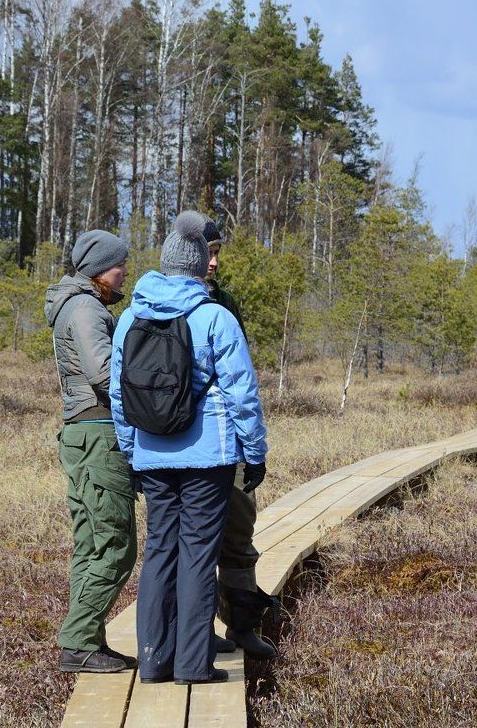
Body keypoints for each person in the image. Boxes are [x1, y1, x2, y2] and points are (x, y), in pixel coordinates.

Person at [109, 211, 268, 685]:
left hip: (153, 455)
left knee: (160, 551)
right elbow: (242, 391)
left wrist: (130, 451)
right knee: (199, 553)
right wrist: (254, 453)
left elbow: (120, 394)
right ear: (199, 265)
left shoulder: (131, 317)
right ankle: (194, 665)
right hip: (208, 458)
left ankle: (154, 661)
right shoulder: (214, 316)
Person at [45, 229, 138, 674]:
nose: (125, 273)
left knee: (91, 543)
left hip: (85, 435)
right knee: (116, 545)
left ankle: (87, 641)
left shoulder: (82, 305)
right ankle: (79, 640)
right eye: (120, 265)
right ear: (102, 268)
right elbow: (106, 373)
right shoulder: (85, 308)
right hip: (99, 435)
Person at [203, 220, 278, 659]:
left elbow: (241, 380)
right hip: (185, 449)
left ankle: (242, 626)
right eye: (207, 252)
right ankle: (195, 630)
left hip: (227, 444)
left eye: (218, 252)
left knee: (238, 534)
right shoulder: (155, 304)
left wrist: (252, 449)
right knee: (191, 542)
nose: (214, 261)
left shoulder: (226, 303)